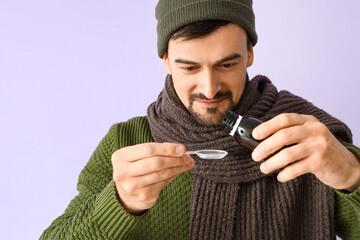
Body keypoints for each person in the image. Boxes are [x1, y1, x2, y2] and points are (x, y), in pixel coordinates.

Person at [41, 0, 360, 239]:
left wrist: (350, 175)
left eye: (227, 64)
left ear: (249, 53)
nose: (209, 89)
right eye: (190, 68)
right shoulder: (127, 141)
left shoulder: (308, 138)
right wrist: (119, 204)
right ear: (165, 60)